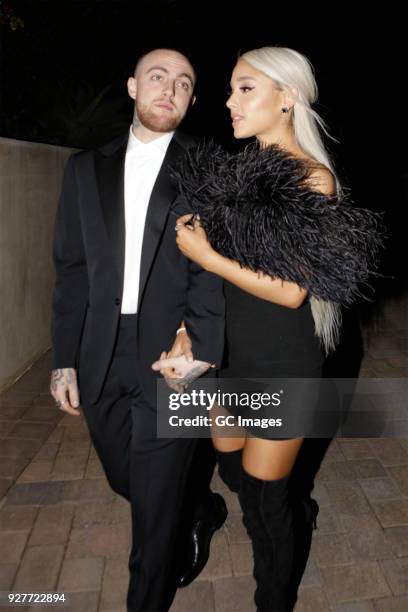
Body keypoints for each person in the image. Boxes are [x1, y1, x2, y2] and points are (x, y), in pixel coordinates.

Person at [154, 46, 382, 610]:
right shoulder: (231, 173)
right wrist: (188, 332)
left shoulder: (313, 180)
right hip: (225, 354)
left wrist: (208, 257)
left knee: (265, 502)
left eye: (245, 89)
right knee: (233, 472)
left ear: (287, 98)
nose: (229, 102)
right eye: (230, 90)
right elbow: (203, 278)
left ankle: (273, 597)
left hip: (281, 361)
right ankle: (295, 505)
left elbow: (291, 291)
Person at [49, 48, 226, 612]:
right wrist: (63, 359)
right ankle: (195, 508)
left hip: (171, 354)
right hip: (99, 351)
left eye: (183, 82)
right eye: (157, 76)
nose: (168, 88)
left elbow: (212, 267)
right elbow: (72, 271)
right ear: (131, 86)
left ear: (192, 101)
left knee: (149, 522)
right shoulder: (84, 168)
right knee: (129, 480)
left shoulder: (207, 165)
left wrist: (197, 338)